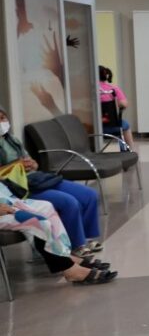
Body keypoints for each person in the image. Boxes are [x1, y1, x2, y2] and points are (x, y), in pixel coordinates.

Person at [0, 106, 103, 257]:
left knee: (89, 195)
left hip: (36, 179)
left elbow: (31, 162)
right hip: (17, 188)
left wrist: (32, 164)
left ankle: (85, 239)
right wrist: (15, 166)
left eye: (3, 118)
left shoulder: (12, 139)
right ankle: (76, 245)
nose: (2, 122)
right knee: (69, 202)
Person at [0, 184, 117, 285]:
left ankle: (64, 255)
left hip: (6, 199)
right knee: (38, 222)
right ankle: (70, 270)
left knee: (47, 207)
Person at [98, 65, 135, 149]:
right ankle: (128, 150)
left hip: (93, 127)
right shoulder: (113, 89)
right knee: (125, 125)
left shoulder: (88, 89)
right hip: (112, 126)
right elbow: (124, 104)